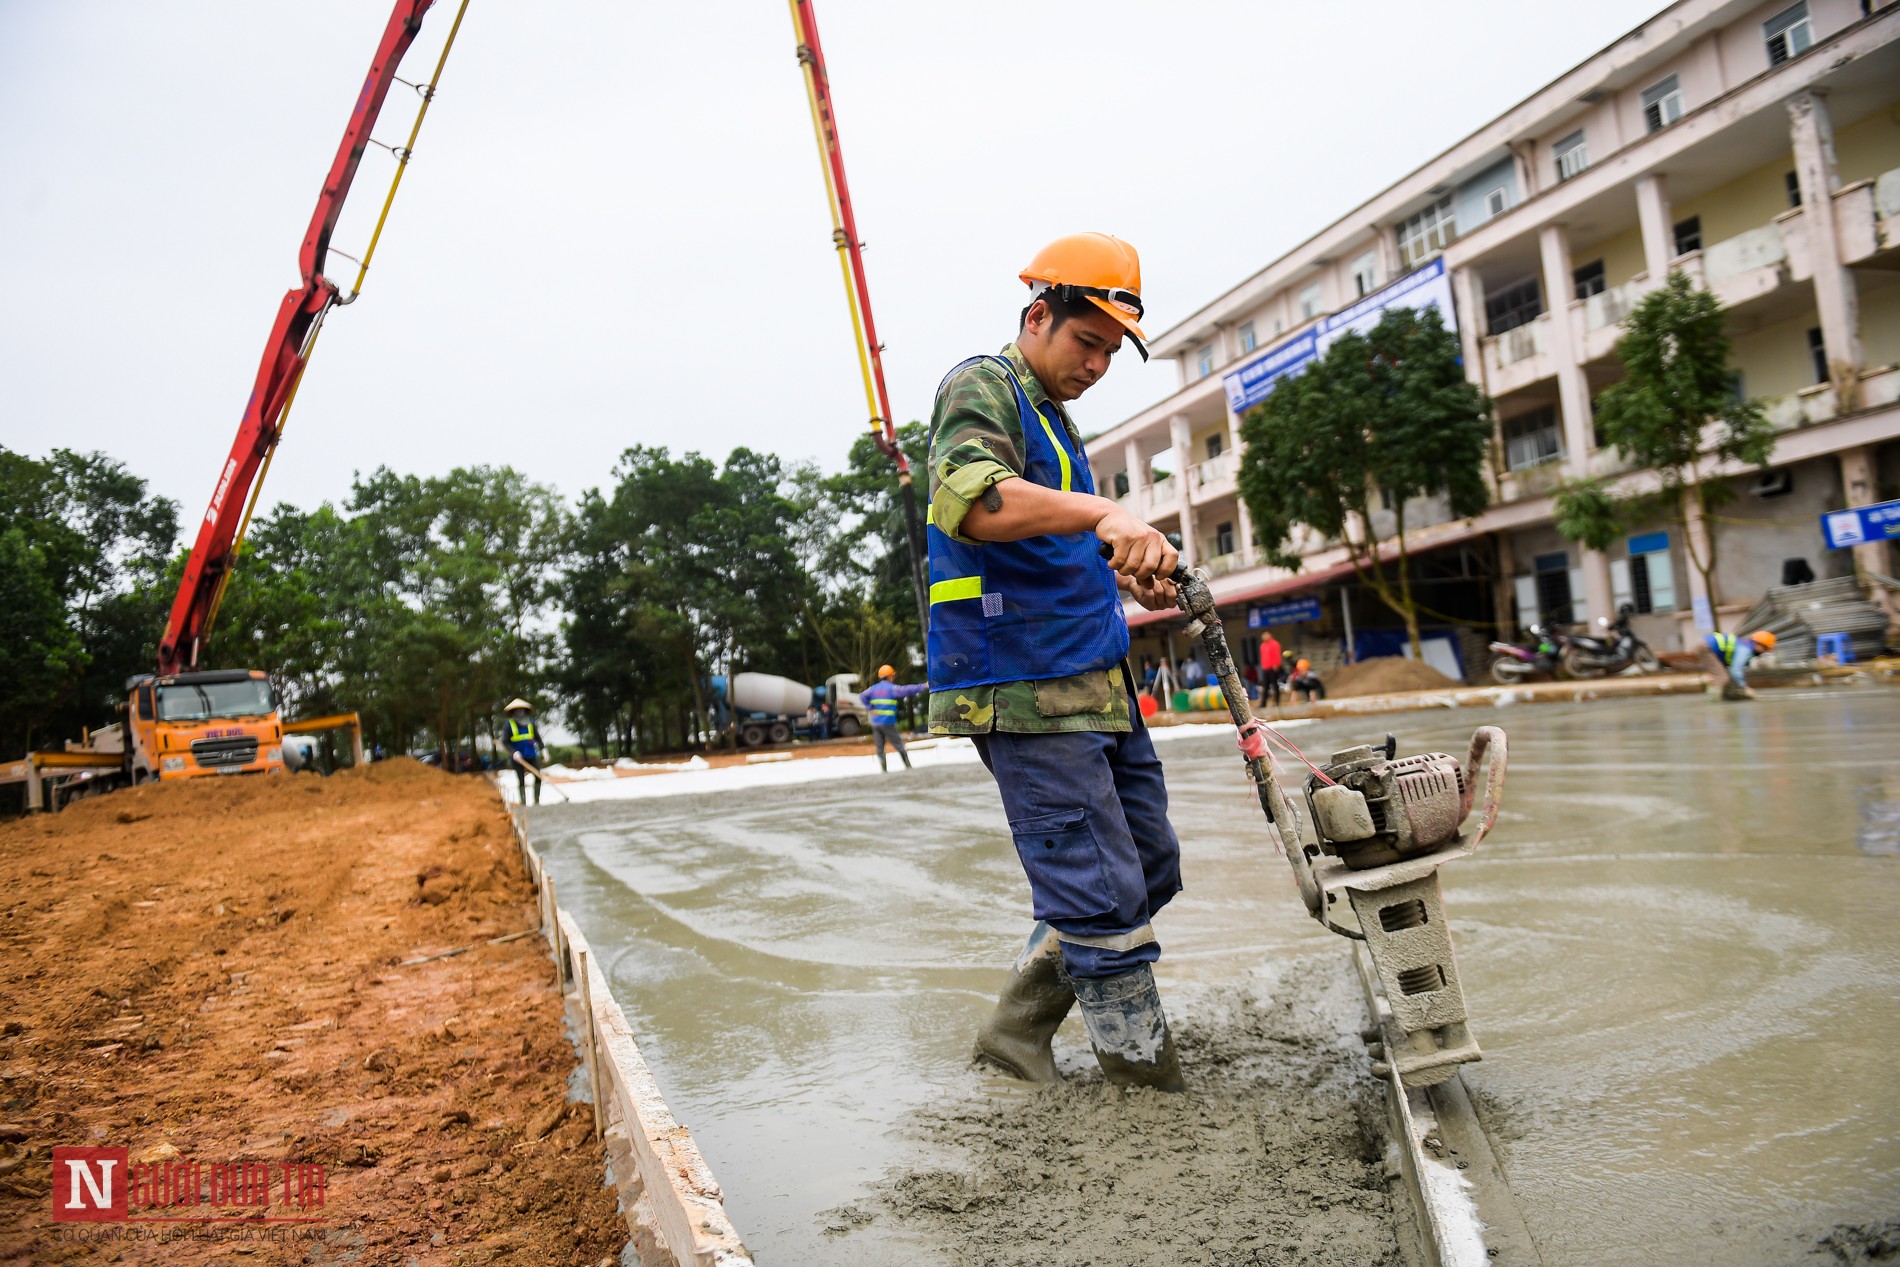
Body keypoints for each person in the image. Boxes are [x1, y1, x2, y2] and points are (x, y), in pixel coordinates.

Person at [927, 232, 1186, 1091]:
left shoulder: (1058, 423)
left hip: (1095, 682)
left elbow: (1061, 535)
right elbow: (978, 500)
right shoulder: (985, 385)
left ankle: (1013, 1038)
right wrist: (1106, 513)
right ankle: (1149, 1092)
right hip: (1028, 687)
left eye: (1112, 352)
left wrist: (1132, 572)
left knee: (1148, 866)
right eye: (1087, 342)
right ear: (1038, 315)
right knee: (1099, 894)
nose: (1098, 364)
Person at [859, 664, 928, 771]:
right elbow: (907, 690)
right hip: (887, 722)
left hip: (876, 723)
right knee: (899, 744)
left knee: (880, 747)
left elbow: (862, 696)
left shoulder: (873, 689)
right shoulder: (891, 688)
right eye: (893, 676)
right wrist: (923, 686)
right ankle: (908, 766)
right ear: (890, 676)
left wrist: (871, 708)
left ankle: (884, 769)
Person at [1701, 630, 1776, 700]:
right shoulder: (1745, 649)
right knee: (1722, 677)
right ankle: (1714, 704)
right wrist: (1745, 688)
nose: (1764, 652)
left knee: (1723, 677)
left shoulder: (1745, 645)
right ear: (1759, 644)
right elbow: (1735, 671)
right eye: (1765, 649)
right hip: (1705, 648)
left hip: (1706, 647)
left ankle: (1716, 699)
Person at [503, 698, 543, 804]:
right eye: (517, 710)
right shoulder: (509, 724)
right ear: (513, 711)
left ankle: (537, 801)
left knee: (538, 776)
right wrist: (513, 752)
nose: (520, 712)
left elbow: (537, 738)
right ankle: (523, 802)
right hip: (517, 757)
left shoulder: (531, 723)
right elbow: (505, 742)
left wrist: (543, 749)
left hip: (531, 753)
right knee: (521, 779)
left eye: (522, 709)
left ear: (525, 710)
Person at [1258, 629, 1284, 707]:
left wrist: (1276, 664)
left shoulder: (1275, 644)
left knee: (1275, 685)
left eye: (1267, 634)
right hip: (1265, 668)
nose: (1265, 636)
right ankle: (1263, 703)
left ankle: (1276, 702)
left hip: (1273, 667)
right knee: (1265, 686)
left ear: (1270, 635)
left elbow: (1277, 655)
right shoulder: (1262, 645)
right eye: (1264, 635)